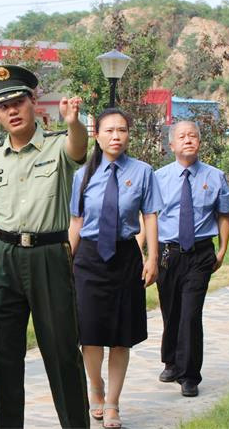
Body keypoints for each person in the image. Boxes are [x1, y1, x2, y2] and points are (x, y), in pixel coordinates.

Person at [0, 64, 90, 428]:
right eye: (3, 106)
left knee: (60, 352)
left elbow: (79, 146)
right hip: (4, 258)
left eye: (18, 101)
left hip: (49, 255)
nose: (12, 110)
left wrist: (73, 121)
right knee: (1, 355)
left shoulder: (57, 146)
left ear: (33, 102)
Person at [67, 108, 161, 428]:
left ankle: (112, 404)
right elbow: (76, 222)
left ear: (128, 135)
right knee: (89, 334)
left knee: (121, 336)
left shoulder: (143, 171)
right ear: (97, 135)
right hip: (89, 259)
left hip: (125, 257)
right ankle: (96, 388)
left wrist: (152, 257)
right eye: (109, 130)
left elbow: (150, 215)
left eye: (122, 130)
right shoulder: (83, 175)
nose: (116, 136)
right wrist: (67, 260)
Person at [155, 120, 229, 398]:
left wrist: (222, 250)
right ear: (171, 144)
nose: (188, 140)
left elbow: (223, 216)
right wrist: (148, 255)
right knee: (171, 310)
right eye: (182, 136)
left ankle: (189, 376)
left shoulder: (215, 176)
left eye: (193, 136)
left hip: (200, 253)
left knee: (190, 313)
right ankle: (172, 361)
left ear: (199, 142)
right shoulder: (158, 178)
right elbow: (149, 218)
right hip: (167, 253)